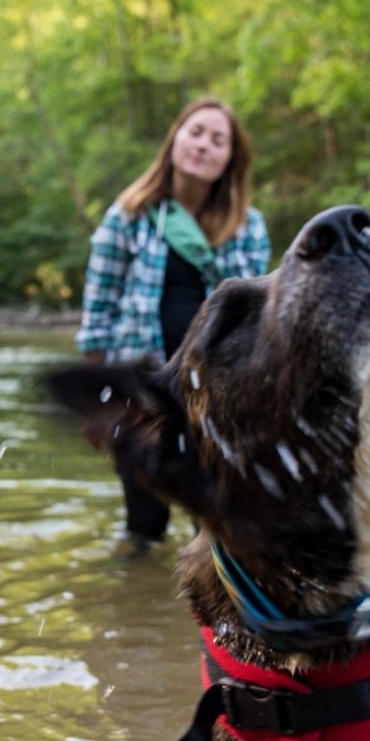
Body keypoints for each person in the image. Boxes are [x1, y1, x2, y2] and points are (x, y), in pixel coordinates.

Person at [76, 96, 270, 547]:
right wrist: (94, 401)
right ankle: (137, 590)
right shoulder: (129, 214)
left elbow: (254, 318)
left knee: (215, 524)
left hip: (213, 393)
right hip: (140, 388)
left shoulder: (247, 227)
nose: (204, 145)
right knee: (143, 524)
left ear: (230, 159)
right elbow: (99, 307)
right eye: (195, 132)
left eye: (218, 140)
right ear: (175, 140)